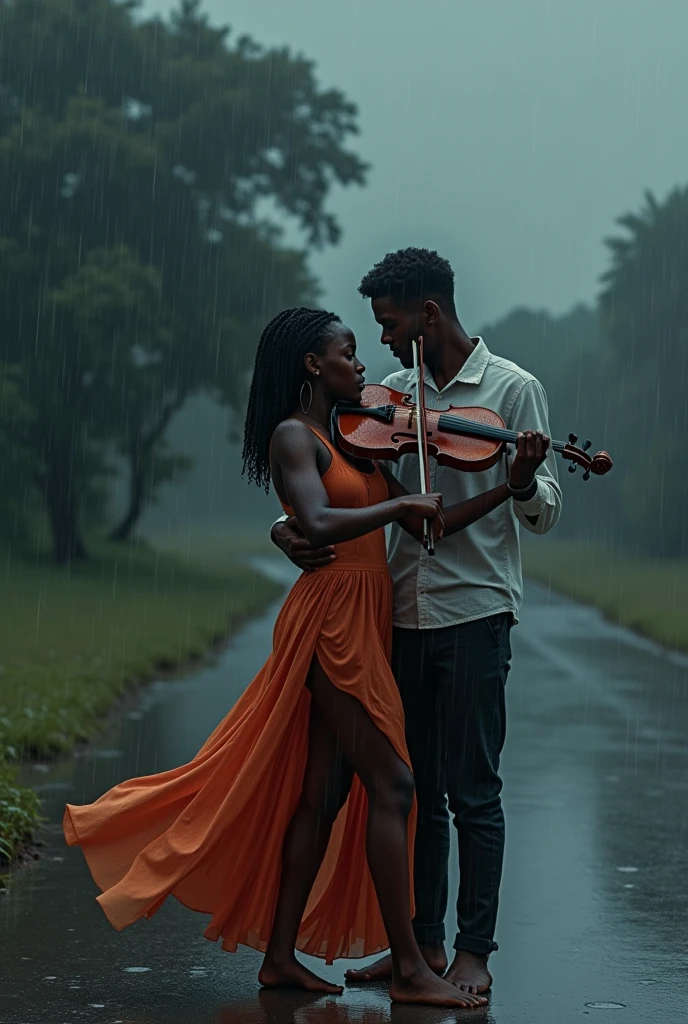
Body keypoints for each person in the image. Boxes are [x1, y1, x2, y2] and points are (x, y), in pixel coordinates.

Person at [63, 306, 497, 1009]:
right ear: (311, 365)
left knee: (321, 798)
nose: (361, 366)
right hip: (330, 623)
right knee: (393, 786)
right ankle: (414, 969)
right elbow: (318, 521)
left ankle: (278, 960)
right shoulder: (293, 437)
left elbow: (422, 518)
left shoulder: (349, 438)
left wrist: (511, 483)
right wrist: (394, 509)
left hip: (364, 617)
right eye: (349, 353)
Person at [271, 249, 562, 996]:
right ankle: (422, 949)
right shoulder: (388, 396)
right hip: (396, 616)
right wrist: (286, 526)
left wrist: (519, 481)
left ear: (428, 314)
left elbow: (545, 512)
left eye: (392, 324)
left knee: (473, 791)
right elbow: (338, 483)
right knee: (413, 787)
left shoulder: (514, 389)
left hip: (473, 612)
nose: (386, 342)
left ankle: (473, 953)